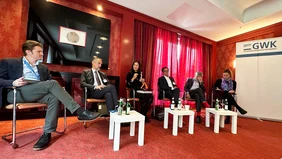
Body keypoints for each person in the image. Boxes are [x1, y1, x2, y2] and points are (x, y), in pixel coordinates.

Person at [0, 40, 101, 151]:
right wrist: (13, 82)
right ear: (28, 52)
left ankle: (47, 133)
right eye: (39, 51)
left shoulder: (43, 68)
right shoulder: (9, 63)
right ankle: (80, 112)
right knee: (52, 83)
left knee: (54, 97)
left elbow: (49, 84)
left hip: (38, 91)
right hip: (17, 91)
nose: (42, 54)